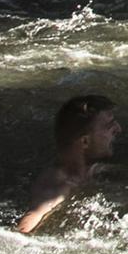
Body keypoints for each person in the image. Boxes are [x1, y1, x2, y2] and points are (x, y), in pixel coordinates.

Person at [16, 94, 120, 234]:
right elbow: (29, 222)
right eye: (109, 126)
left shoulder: (91, 171)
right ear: (85, 142)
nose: (119, 129)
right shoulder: (60, 184)